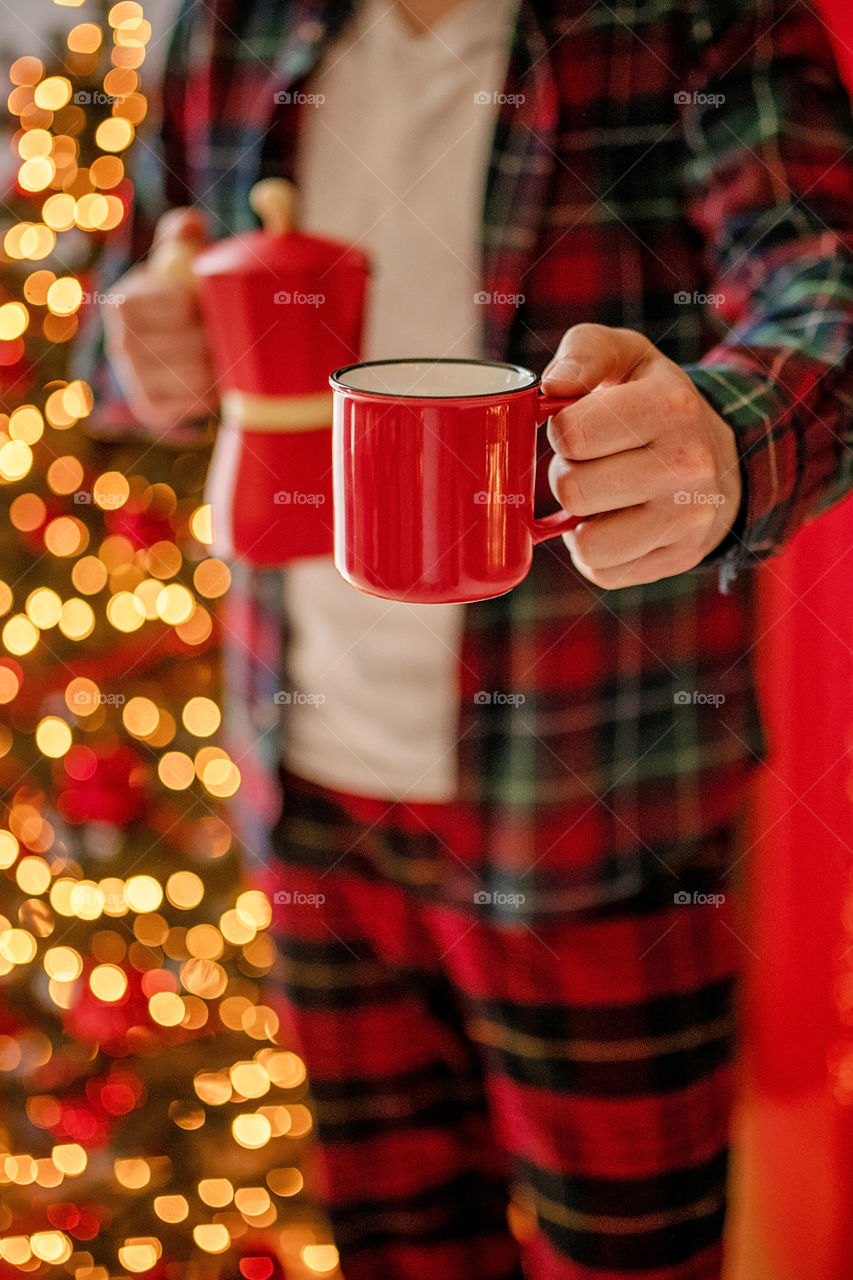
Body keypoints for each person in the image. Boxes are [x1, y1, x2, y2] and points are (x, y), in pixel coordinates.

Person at [99, 1, 853, 1276]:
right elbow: (120, 330)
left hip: (601, 803)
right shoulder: (223, 26)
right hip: (313, 792)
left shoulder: (693, 16)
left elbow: (820, 285)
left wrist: (719, 438)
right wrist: (150, 347)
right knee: (398, 1250)